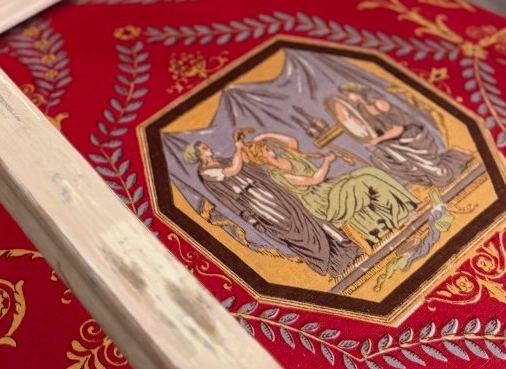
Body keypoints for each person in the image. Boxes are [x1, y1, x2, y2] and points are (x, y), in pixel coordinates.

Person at [184, 138, 358, 279]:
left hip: (266, 191)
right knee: (292, 229)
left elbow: (245, 165)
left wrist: (242, 147)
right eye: (202, 148)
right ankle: (330, 262)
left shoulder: (220, 160)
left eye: (204, 145)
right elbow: (233, 170)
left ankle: (344, 252)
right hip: (256, 201)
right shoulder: (206, 172)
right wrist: (237, 148)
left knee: (303, 216)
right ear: (199, 155)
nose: (207, 147)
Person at [246, 132, 417, 248]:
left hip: (330, 186)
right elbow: (314, 180)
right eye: (266, 149)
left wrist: (265, 135)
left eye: (267, 146)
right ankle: (398, 215)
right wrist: (327, 161)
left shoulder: (287, 155)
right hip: (322, 200)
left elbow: (292, 141)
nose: (270, 148)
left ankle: (406, 205)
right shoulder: (276, 174)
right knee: (364, 182)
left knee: (368, 172)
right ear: (262, 156)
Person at [329, 84, 471, 188]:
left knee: (443, 178)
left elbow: (399, 129)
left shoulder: (380, 104)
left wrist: (378, 140)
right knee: (379, 156)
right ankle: (424, 171)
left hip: (411, 135)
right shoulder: (361, 110)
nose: (348, 98)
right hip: (392, 140)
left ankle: (456, 156)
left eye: (348, 95)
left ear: (356, 92)